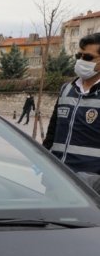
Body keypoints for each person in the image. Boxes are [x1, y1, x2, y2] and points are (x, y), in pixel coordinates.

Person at [43, 32, 100, 179]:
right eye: (78, 56)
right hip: (57, 177)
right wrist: (42, 160)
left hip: (91, 185)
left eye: (87, 57)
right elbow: (52, 133)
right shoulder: (67, 89)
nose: (81, 61)